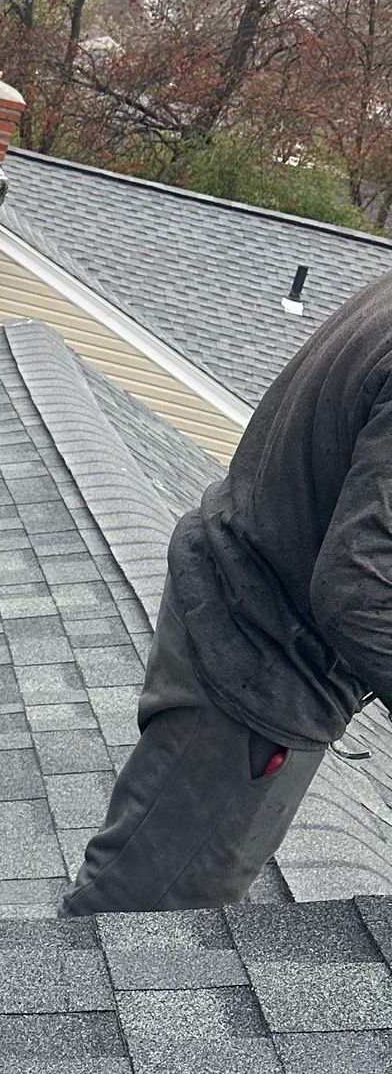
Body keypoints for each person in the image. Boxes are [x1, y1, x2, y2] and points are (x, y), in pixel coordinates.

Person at [64, 272, 392, 913]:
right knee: (137, 926)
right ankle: (51, 1012)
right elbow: (359, 589)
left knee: (144, 911)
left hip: (236, 612)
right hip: (258, 665)